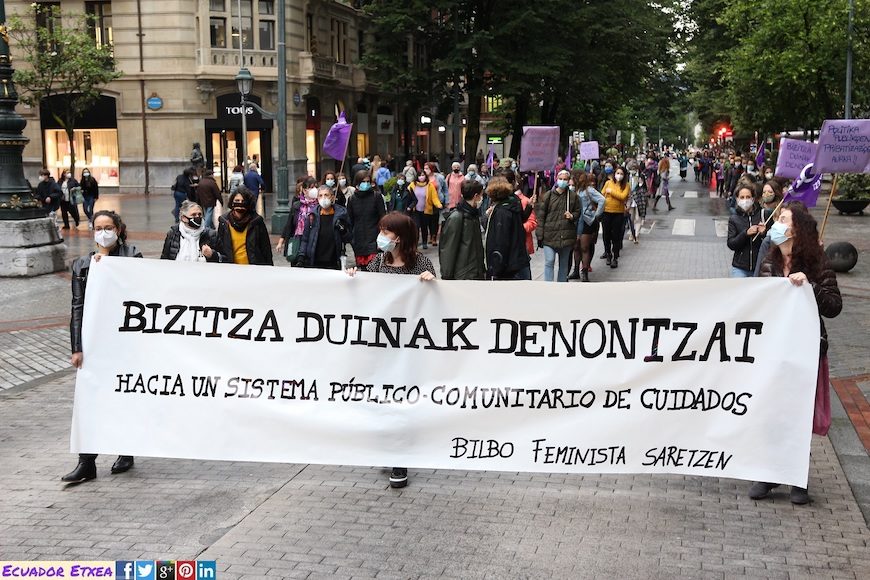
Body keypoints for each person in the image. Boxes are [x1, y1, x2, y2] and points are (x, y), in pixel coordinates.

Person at [750, 201, 842, 505]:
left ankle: (797, 478)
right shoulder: (771, 260)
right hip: (775, 349)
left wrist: (810, 286)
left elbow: (833, 306)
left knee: (799, 414)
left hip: (806, 350)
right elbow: (758, 300)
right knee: (773, 413)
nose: (777, 224)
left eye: (784, 219)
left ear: (797, 229)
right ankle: (769, 474)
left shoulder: (817, 262)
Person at [346, 212, 436, 489]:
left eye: (387, 232)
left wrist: (430, 281)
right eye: (381, 231)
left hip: (408, 344)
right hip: (381, 343)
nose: (382, 237)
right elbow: (365, 293)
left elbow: (435, 300)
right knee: (384, 398)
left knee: (401, 400)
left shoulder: (419, 262)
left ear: (401, 237)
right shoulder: (377, 261)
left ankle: (400, 459)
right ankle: (390, 447)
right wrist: (353, 278)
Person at [63, 210, 143, 483]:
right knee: (89, 399)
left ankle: (125, 450)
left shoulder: (132, 256)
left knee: (122, 395)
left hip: (123, 342)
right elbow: (77, 308)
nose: (104, 232)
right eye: (99, 227)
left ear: (119, 229)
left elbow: (140, 291)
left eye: (109, 227)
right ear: (92, 231)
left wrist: (109, 267)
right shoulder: (82, 265)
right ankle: (87, 461)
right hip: (94, 343)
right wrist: (77, 347)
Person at [535, 170, 579, 282]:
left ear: (569, 181)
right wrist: (540, 236)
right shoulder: (548, 196)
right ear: (556, 179)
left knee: (564, 264)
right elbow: (540, 216)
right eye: (561, 179)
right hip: (549, 236)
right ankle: (548, 286)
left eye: (565, 179)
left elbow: (578, 212)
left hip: (566, 236)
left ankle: (561, 286)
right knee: (549, 261)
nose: (563, 181)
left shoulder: (573, 197)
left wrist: (572, 216)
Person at [439, 179, 485, 280]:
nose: (482, 198)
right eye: (481, 195)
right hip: (464, 275)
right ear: (476, 196)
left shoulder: (473, 215)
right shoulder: (457, 217)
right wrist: (447, 276)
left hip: (475, 273)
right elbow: (448, 249)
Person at [298, 185, 352, 270]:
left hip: (333, 262)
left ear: (332, 197)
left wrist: (343, 230)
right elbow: (305, 238)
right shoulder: (312, 216)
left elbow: (348, 238)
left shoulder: (341, 215)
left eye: (326, 195)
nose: (323, 198)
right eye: (320, 195)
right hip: (314, 262)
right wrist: (301, 256)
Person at [216, 186, 273, 265]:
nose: (240, 203)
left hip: (253, 268)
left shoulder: (256, 221)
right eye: (237, 200)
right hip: (231, 269)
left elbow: (265, 248)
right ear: (232, 202)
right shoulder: (224, 221)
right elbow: (220, 248)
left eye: (243, 201)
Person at [568, 170, 605, 282]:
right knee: (576, 247)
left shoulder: (589, 190)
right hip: (575, 221)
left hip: (586, 221)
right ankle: (576, 270)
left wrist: (596, 215)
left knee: (584, 247)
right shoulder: (573, 190)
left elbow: (602, 200)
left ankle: (584, 271)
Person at [727, 183, 766, 277]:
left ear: (753, 198)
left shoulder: (762, 215)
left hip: (758, 267)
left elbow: (770, 242)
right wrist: (745, 233)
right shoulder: (734, 218)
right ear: (737, 199)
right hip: (740, 267)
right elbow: (731, 244)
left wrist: (763, 233)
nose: (745, 200)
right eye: (742, 197)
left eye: (748, 197)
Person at [347, 171, 386, 266]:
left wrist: (382, 236)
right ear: (357, 183)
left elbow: (383, 218)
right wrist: (351, 239)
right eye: (363, 182)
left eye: (368, 181)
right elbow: (350, 221)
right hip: (359, 240)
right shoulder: (352, 199)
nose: (366, 184)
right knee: (363, 271)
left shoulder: (376, 196)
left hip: (374, 239)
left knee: (374, 268)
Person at [277, 177, 319, 262]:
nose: (314, 190)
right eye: (311, 187)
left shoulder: (320, 206)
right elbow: (289, 225)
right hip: (298, 241)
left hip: (314, 242)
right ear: (304, 190)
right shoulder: (297, 206)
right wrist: (281, 242)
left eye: (315, 187)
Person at [599, 165, 631, 269]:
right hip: (606, 212)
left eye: (621, 174)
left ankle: (615, 257)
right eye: (617, 173)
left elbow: (622, 196)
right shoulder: (608, 183)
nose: (619, 176)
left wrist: (611, 192)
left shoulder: (626, 185)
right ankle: (608, 253)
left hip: (618, 213)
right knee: (606, 235)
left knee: (616, 236)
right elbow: (602, 194)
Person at [408, 170, 440, 249]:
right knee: (416, 226)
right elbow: (408, 196)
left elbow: (434, 197)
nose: (421, 177)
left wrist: (438, 204)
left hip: (426, 210)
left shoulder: (430, 186)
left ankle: (424, 242)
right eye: (420, 175)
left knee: (424, 227)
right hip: (415, 210)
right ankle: (415, 243)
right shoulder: (412, 185)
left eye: (423, 175)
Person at [424, 162, 447, 246]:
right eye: (425, 168)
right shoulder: (423, 177)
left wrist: (446, 200)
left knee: (435, 219)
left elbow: (445, 189)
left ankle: (434, 236)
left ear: (432, 169)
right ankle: (430, 235)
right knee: (428, 219)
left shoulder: (439, 177)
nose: (425, 170)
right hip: (426, 201)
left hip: (437, 201)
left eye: (427, 168)